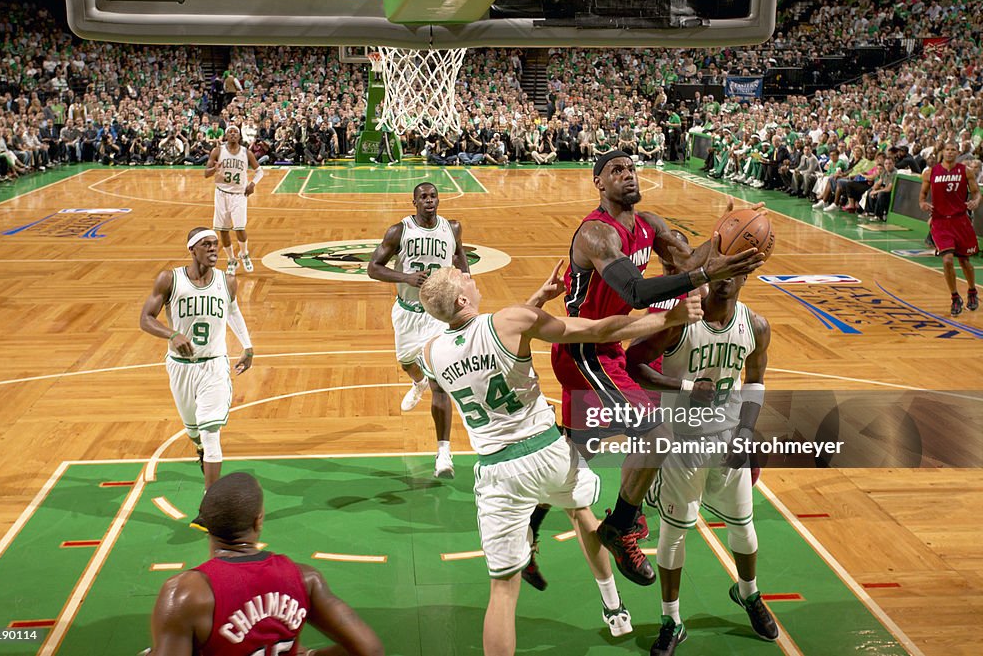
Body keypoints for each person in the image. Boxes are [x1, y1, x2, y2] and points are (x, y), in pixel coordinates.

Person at [418, 267, 704, 656]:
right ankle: (614, 605)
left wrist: (536, 300)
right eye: (462, 276)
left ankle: (543, 551)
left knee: (502, 590)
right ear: (462, 299)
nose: (469, 274)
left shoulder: (430, 354)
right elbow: (599, 331)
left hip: (498, 470)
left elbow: (481, 346)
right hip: (550, 455)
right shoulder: (511, 320)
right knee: (581, 512)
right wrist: (668, 318)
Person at [546, 150, 764, 587]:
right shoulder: (596, 233)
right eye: (616, 171)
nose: (628, 175)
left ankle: (543, 510)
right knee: (655, 432)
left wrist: (724, 236)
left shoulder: (650, 224)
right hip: (582, 349)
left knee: (579, 452)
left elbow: (687, 263)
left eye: (632, 169)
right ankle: (621, 524)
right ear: (598, 183)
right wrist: (705, 273)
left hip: (610, 346)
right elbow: (636, 290)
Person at [627, 271, 777, 655]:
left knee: (743, 526)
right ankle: (671, 620)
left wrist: (747, 430)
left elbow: (755, 380)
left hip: (729, 439)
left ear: (745, 275)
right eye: (720, 269)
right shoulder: (683, 321)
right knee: (674, 532)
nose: (727, 279)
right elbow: (633, 363)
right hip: (682, 441)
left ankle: (749, 593)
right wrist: (686, 387)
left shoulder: (755, 325)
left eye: (735, 270)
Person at [146, 472, 384, 656]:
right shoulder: (305, 579)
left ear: (204, 522)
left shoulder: (186, 594)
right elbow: (370, 650)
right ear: (258, 521)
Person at [140, 227, 255, 530]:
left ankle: (209, 505)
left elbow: (233, 312)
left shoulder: (227, 281)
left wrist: (247, 346)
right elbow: (146, 319)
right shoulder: (170, 279)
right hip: (180, 367)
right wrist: (171, 334)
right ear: (192, 249)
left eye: (216, 244)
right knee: (195, 433)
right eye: (206, 244)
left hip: (214, 366)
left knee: (211, 431)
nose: (214, 248)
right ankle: (201, 449)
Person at [367, 182, 469, 478]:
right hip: (407, 313)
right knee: (407, 363)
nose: (429, 200)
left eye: (433, 196)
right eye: (423, 197)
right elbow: (373, 268)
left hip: (438, 315)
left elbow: (459, 255)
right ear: (414, 202)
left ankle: (444, 453)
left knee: (440, 383)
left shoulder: (452, 228)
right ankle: (417, 382)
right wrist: (406, 278)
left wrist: (465, 281)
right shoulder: (399, 231)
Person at [919, 142, 980, 316]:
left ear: (958, 152)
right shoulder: (930, 172)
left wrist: (976, 201)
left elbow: (976, 192)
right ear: (943, 152)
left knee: (964, 261)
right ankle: (954, 297)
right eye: (947, 149)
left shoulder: (965, 171)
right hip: (940, 222)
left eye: (953, 150)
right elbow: (922, 194)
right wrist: (922, 203)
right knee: (947, 260)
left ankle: (972, 291)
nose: (950, 152)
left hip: (960, 221)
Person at [204, 125, 263, 276]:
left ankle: (244, 253)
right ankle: (231, 259)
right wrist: (215, 169)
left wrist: (252, 184)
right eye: (229, 132)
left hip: (239, 195)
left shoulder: (246, 153)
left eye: (235, 132)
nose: (232, 134)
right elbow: (206, 173)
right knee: (223, 230)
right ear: (225, 136)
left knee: (239, 228)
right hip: (221, 194)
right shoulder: (217, 151)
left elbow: (259, 172)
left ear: (239, 136)